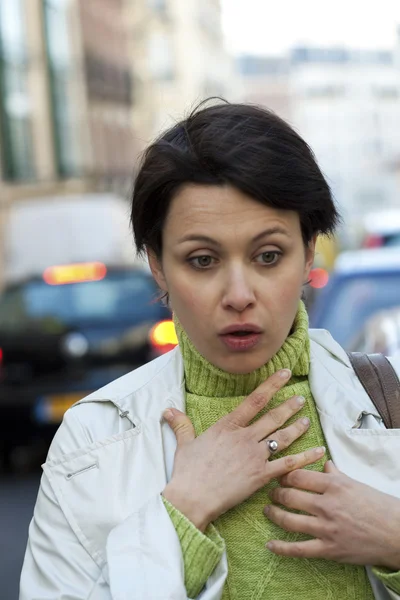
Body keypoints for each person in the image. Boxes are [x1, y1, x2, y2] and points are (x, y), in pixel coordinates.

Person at [20, 101, 400, 600]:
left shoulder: (386, 397)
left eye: (268, 256)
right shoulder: (90, 442)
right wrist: (181, 513)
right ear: (157, 264)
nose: (239, 294)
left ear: (309, 251)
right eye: (202, 260)